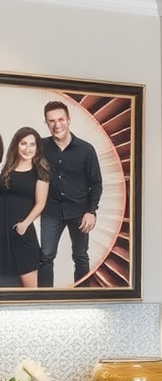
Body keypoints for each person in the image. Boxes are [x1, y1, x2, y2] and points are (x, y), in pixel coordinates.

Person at [38, 100, 102, 287]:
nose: (57, 125)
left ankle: (84, 298)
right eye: (51, 121)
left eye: (61, 119)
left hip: (79, 212)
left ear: (69, 120)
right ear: (46, 123)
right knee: (45, 256)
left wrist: (91, 212)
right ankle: (44, 300)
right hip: (51, 211)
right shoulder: (40, 147)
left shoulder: (86, 150)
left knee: (81, 256)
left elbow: (97, 184)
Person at [0, 127, 50, 288]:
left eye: (32, 144)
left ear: (37, 148)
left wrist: (25, 224)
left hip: (21, 233)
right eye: (23, 143)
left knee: (30, 289)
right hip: (3, 235)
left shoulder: (40, 172)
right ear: (16, 145)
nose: (28, 149)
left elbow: (40, 203)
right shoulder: (6, 169)